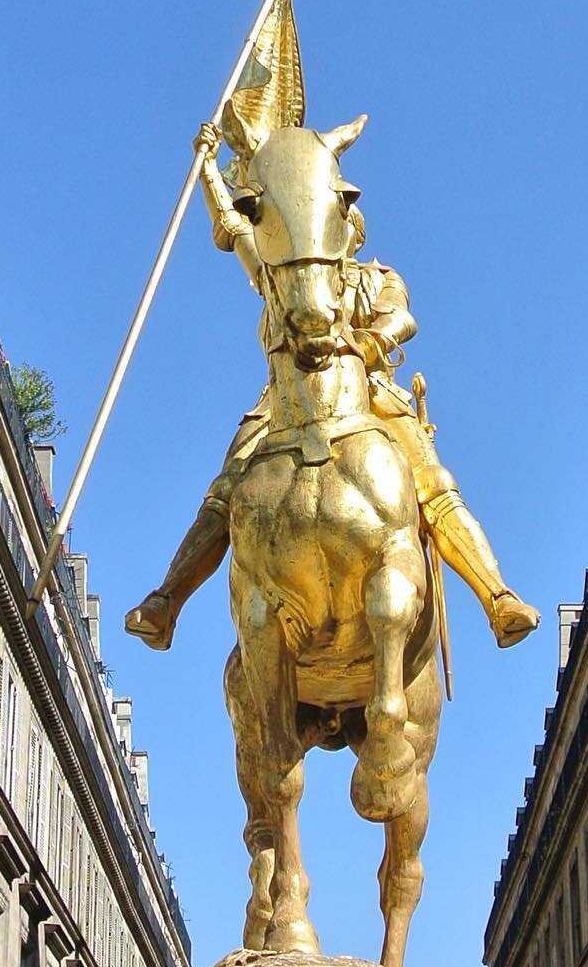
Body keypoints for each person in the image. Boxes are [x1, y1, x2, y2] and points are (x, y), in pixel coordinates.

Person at [124, 121, 538, 652]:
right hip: (283, 399)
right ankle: (167, 602)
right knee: (226, 490)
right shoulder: (283, 278)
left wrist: (371, 343)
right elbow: (236, 228)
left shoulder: (378, 276)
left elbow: (401, 319)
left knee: (432, 480)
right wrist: (207, 167)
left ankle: (496, 597)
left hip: (367, 389)